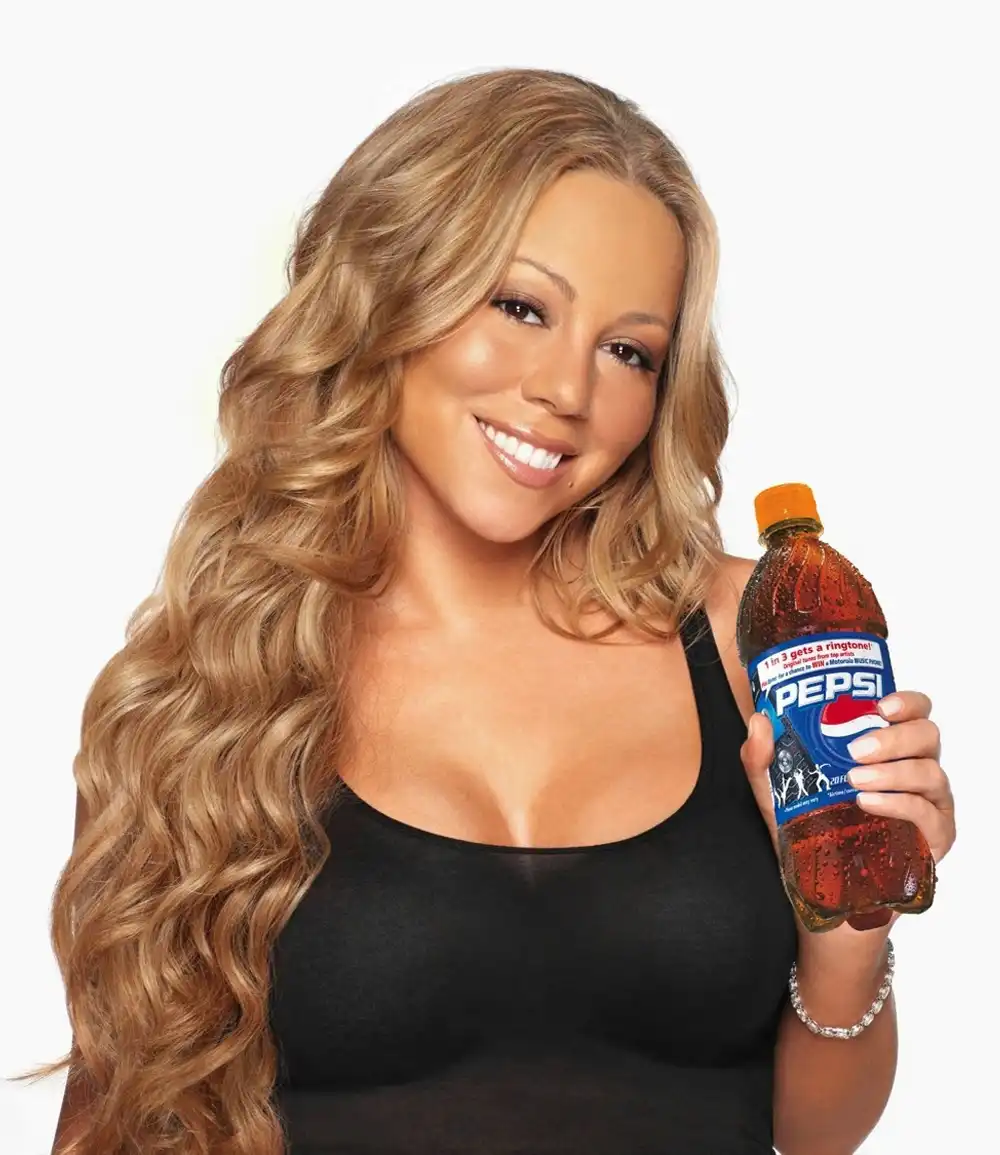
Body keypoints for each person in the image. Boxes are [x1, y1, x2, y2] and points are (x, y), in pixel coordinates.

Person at [35, 66, 956, 1155]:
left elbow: (811, 1134)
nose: (567, 391)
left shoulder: (754, 633)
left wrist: (849, 924)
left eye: (628, 352)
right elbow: (117, 1117)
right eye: (521, 308)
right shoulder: (210, 685)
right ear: (389, 291)